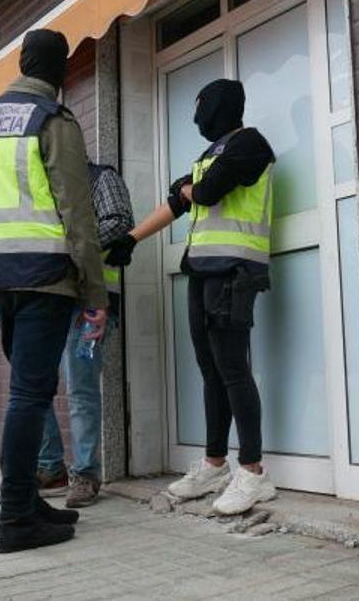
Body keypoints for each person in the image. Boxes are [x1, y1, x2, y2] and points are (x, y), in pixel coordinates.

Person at [0, 29, 108, 553]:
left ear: (21, 64)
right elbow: (77, 212)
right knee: (29, 395)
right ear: (60, 74)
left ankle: (30, 503)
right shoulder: (53, 121)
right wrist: (95, 293)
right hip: (46, 278)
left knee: (29, 390)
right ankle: (15, 517)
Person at [108, 79, 276, 515]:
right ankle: (215, 464)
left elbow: (203, 193)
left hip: (235, 272)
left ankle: (254, 472)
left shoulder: (250, 144)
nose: (196, 117)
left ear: (218, 107)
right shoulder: (209, 155)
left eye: (201, 107)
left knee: (234, 370)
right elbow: (177, 203)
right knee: (211, 371)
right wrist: (130, 238)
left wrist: (188, 189)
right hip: (203, 273)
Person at [36, 164, 131, 507]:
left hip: (91, 303)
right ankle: (50, 469)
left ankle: (86, 474)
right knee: (34, 387)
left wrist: (70, 248)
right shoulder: (40, 185)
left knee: (81, 388)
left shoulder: (99, 178)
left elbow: (119, 220)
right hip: (47, 299)